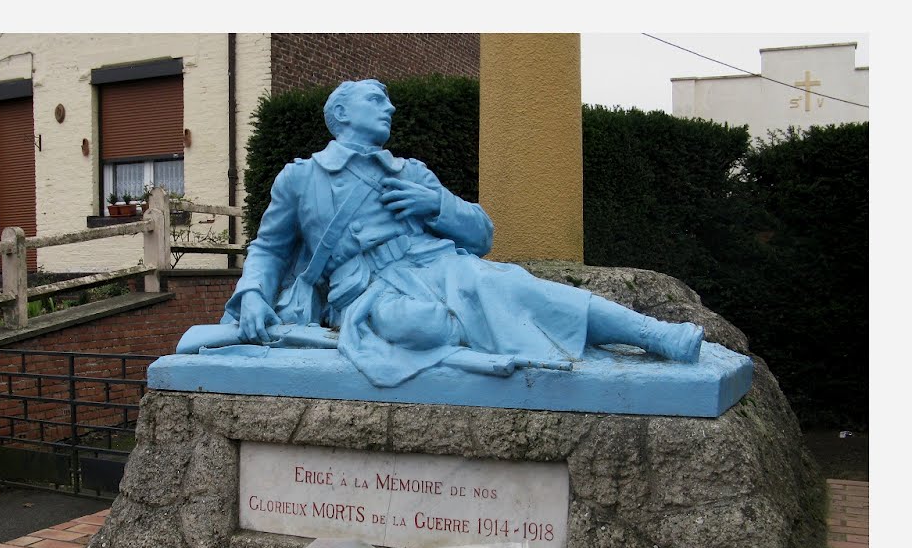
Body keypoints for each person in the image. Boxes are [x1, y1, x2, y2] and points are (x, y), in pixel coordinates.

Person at [218, 79, 703, 386]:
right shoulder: (301, 178)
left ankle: (656, 335)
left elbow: (482, 233)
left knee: (513, 285)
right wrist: (255, 295)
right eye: (375, 98)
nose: (388, 107)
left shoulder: (411, 171)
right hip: (368, 289)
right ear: (341, 114)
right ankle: (477, 338)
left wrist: (439, 205)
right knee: (418, 327)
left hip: (440, 264)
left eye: (389, 100)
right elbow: (268, 248)